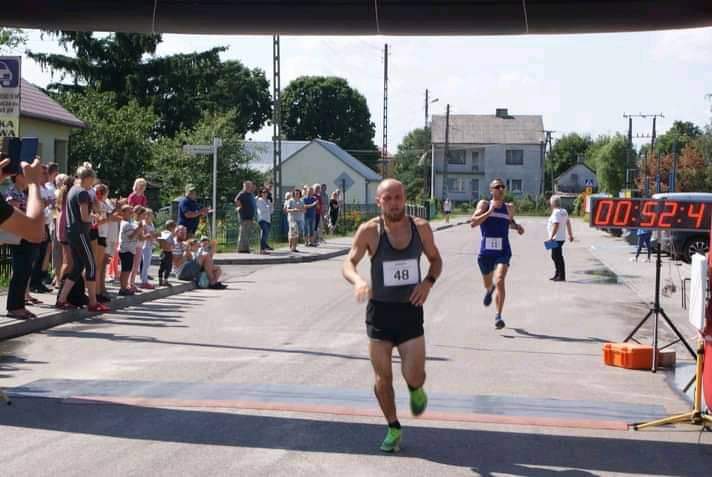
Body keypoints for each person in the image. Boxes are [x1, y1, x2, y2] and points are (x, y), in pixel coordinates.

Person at [342, 178, 443, 453]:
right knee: (382, 377)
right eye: (388, 198)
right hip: (380, 313)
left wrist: (427, 283)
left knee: (414, 374)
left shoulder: (420, 228)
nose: (394, 202)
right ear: (379, 201)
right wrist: (358, 281)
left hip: (410, 311)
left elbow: (436, 259)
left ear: (405, 197)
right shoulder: (369, 231)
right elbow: (349, 262)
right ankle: (393, 426)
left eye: (398, 197)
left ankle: (415, 388)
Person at [469, 178, 525, 330]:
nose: (500, 189)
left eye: (502, 187)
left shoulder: (509, 207)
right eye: (497, 187)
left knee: (500, 279)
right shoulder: (484, 204)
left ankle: (498, 316)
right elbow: (473, 223)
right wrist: (489, 212)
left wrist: (517, 227)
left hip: (503, 250)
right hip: (486, 252)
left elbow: (510, 222)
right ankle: (489, 289)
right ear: (491, 190)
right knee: (489, 283)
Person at [55, 165, 110, 312]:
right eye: (92, 179)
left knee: (78, 266)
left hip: (72, 232)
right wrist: (94, 217)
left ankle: (61, 299)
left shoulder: (73, 190)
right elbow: (84, 216)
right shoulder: (82, 193)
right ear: (88, 178)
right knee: (91, 265)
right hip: (80, 232)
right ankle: (93, 302)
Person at [2, 157, 47, 320]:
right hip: (19, 234)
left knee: (26, 269)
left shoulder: (23, 192)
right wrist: (35, 185)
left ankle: (18, 305)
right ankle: (15, 306)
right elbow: (14, 208)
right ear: (18, 176)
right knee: (21, 270)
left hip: (23, 233)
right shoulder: (13, 190)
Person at [117, 204, 143, 296]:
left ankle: (124, 287)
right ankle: (123, 288)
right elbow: (131, 237)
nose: (131, 213)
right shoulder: (126, 224)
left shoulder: (128, 223)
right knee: (125, 270)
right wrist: (139, 229)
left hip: (129, 250)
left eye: (132, 211)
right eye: (129, 211)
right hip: (126, 250)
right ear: (123, 213)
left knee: (127, 270)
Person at [547, 195, 574, 281]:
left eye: (551, 202)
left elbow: (556, 224)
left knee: (556, 256)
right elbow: (568, 222)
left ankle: (561, 276)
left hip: (555, 238)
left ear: (552, 203)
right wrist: (570, 235)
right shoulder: (564, 211)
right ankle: (558, 274)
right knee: (556, 256)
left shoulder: (556, 212)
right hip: (561, 237)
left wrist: (551, 237)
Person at [235, 181, 256, 253]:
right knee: (243, 232)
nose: (248, 187)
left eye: (249, 185)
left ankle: (246, 248)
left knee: (247, 233)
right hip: (243, 216)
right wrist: (240, 207)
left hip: (249, 216)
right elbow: (236, 200)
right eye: (247, 186)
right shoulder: (242, 193)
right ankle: (241, 249)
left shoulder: (250, 194)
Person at [139, 208, 157, 289]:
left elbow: (153, 234)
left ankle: (145, 279)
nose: (152, 216)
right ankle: (144, 281)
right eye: (150, 214)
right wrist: (154, 235)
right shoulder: (144, 224)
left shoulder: (151, 224)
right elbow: (147, 234)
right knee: (145, 264)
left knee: (147, 263)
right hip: (145, 245)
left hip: (150, 245)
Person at [157, 220, 177, 286]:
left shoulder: (162, 232)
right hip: (168, 252)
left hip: (163, 251)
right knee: (168, 267)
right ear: (171, 227)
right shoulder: (169, 234)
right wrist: (171, 245)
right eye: (174, 228)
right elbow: (168, 242)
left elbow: (159, 240)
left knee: (162, 266)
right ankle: (165, 280)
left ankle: (160, 279)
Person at [256, 188, 273, 254]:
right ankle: (262, 249)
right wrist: (268, 207)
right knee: (264, 233)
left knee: (266, 234)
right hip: (262, 219)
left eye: (266, 192)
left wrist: (270, 206)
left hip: (268, 219)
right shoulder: (260, 200)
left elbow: (271, 211)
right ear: (261, 193)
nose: (265, 193)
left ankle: (265, 246)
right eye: (263, 192)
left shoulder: (268, 201)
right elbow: (262, 209)